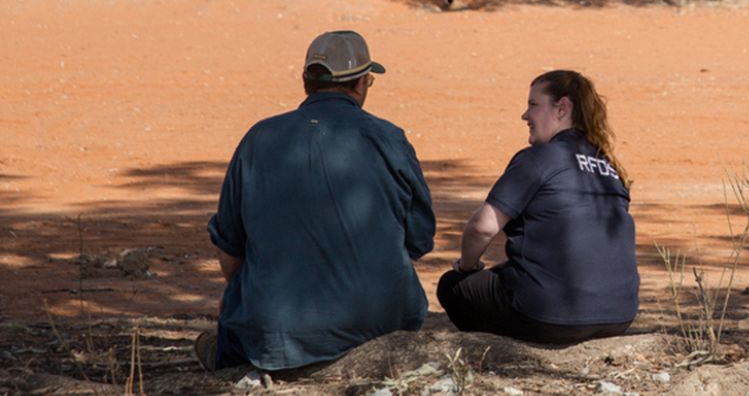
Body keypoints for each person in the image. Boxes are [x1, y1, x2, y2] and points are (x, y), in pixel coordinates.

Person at [195, 30, 436, 372]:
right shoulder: (389, 138)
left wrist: (243, 299)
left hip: (277, 332)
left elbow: (229, 248)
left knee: (230, 326)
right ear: (361, 84)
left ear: (306, 82)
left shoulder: (259, 138)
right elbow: (419, 239)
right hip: (383, 320)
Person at [437, 70, 638, 344]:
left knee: (453, 286)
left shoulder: (538, 158)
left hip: (547, 316)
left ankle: (495, 350)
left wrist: (466, 267)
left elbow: (481, 228)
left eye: (533, 104)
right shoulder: (611, 169)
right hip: (619, 317)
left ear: (562, 108)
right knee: (512, 271)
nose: (525, 115)